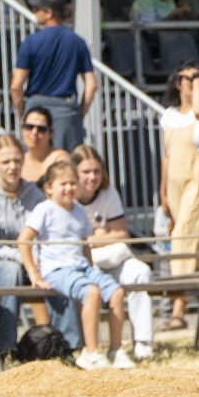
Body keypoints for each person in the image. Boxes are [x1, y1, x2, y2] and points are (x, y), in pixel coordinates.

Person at [19, 160, 133, 370]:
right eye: (63, 184)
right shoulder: (44, 209)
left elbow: (85, 244)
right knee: (92, 292)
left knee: (116, 291)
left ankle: (116, 350)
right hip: (57, 269)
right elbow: (23, 241)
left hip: (82, 267)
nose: (69, 188)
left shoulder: (79, 211)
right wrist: (34, 274)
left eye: (73, 183)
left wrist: (91, 268)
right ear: (49, 188)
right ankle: (90, 352)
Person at [0, 135, 52, 359]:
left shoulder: (35, 194)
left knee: (58, 272)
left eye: (17, 160)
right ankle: (5, 347)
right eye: (5, 162)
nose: (12, 167)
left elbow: (40, 236)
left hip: (26, 260)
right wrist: (25, 259)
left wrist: (36, 261)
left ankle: (65, 344)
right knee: (9, 270)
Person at [70, 145, 155, 359]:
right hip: (84, 263)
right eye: (86, 172)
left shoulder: (108, 193)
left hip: (113, 258)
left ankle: (143, 342)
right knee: (91, 285)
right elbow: (72, 240)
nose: (92, 177)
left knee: (141, 272)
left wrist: (94, 238)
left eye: (96, 171)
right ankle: (93, 346)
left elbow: (121, 233)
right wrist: (102, 235)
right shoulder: (68, 196)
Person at [159, 62, 199, 331]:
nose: (193, 83)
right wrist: (163, 192)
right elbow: (166, 156)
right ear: (177, 83)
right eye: (187, 78)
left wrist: (197, 79)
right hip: (175, 181)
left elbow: (198, 110)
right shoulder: (168, 115)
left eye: (197, 79)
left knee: (183, 236)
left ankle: (178, 307)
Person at [10, 0, 96, 151]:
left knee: (35, 161)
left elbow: (16, 86)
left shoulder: (30, 41)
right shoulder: (78, 42)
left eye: (38, 9)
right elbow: (91, 85)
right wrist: (79, 115)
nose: (34, 12)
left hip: (36, 111)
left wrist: (23, 115)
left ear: (49, 13)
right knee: (67, 164)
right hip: (66, 112)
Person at [19, 105, 70, 184]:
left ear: (50, 133)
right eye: (29, 127)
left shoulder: (60, 160)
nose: (34, 132)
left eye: (41, 129)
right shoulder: (19, 162)